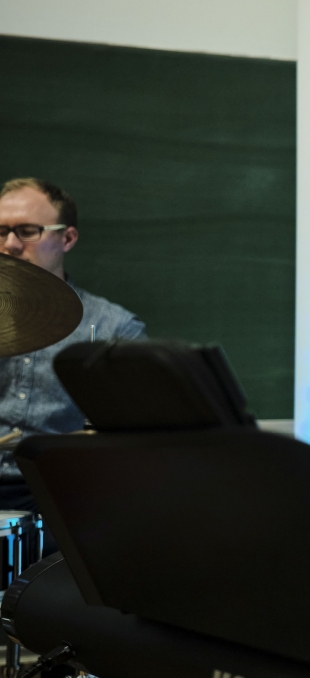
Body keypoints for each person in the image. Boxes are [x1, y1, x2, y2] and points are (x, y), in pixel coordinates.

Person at [0, 178, 147, 510]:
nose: (10, 245)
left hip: (67, 495)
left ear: (67, 238)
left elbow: (139, 439)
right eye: (0, 232)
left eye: (27, 231)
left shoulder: (115, 327)